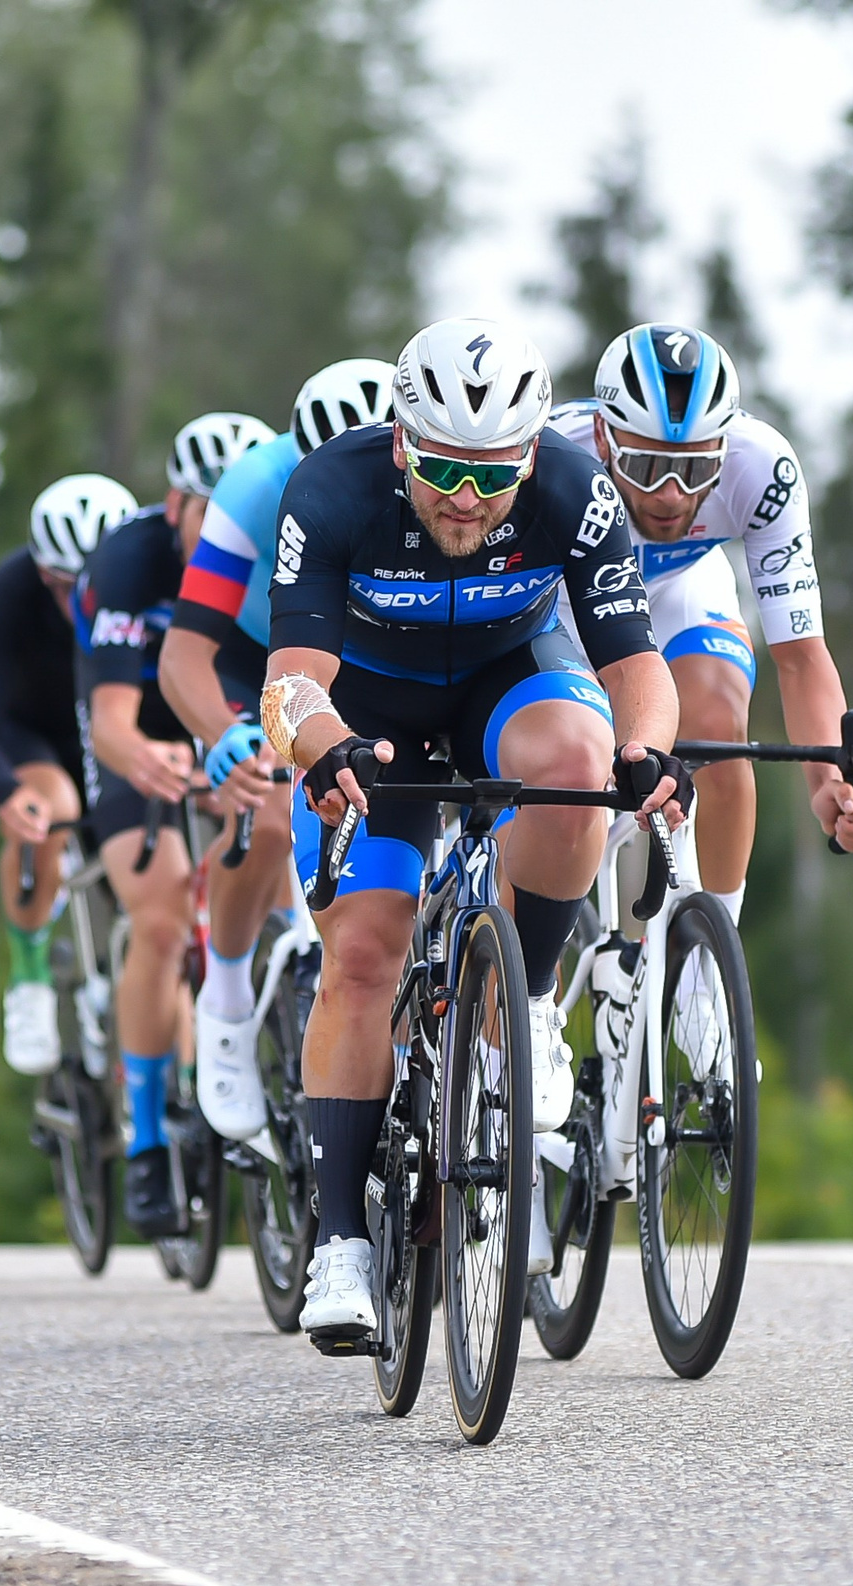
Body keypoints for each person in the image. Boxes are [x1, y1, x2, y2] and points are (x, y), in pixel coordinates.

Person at [259, 318, 688, 1346]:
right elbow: (288, 684)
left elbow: (636, 667)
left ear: (530, 456)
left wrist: (648, 751)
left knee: (583, 761)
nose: (464, 496)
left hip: (507, 679)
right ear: (401, 443)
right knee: (364, 956)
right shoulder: (330, 488)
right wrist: (322, 747)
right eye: (443, 467)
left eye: (491, 476)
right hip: (370, 714)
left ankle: (523, 1002)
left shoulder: (575, 490)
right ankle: (340, 1244)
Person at [547, 324, 853, 916]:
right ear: (602, 436)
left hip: (683, 587)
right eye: (647, 465)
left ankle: (711, 955)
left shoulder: (763, 467)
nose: (671, 494)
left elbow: (801, 657)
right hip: (564, 601)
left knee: (720, 732)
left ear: (724, 450)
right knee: (559, 760)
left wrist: (830, 777)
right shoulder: (549, 455)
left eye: (696, 469)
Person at [161, 358, 395, 1138]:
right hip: (251, 651)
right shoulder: (253, 487)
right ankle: (225, 1001)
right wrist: (224, 735)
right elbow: (184, 653)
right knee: (265, 812)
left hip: (361, 655)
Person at [76, 410, 275, 1235]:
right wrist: (148, 761)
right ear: (174, 507)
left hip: (227, 712)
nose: (229, 523)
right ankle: (149, 1138)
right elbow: (110, 724)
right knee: (158, 921)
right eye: (210, 508)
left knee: (278, 840)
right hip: (141, 723)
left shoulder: (269, 548)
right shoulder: (131, 560)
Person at [0, 473, 139, 1081]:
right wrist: (8, 795)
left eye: (95, 587)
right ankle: (29, 978)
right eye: (66, 588)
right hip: (36, 736)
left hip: (115, 734)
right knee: (51, 807)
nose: (82, 603)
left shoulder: (149, 577)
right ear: (42, 574)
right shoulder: (9, 590)